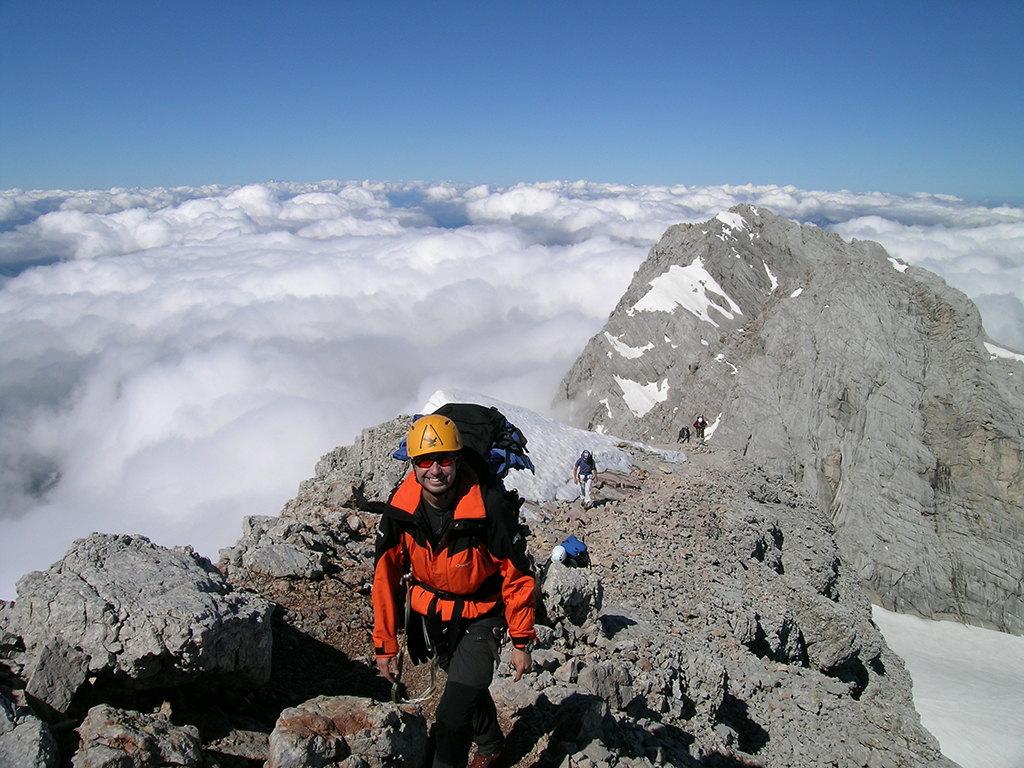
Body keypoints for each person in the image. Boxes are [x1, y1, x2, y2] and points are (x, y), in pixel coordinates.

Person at [373, 414, 537, 768]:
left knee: (450, 717)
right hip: (435, 617)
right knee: (464, 688)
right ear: (413, 465)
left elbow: (517, 575)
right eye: (425, 461)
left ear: (458, 461)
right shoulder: (400, 511)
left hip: (484, 614)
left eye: (444, 459)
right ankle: (492, 745)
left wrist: (521, 640)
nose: (435, 470)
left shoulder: (487, 508)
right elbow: (385, 575)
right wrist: (385, 643)